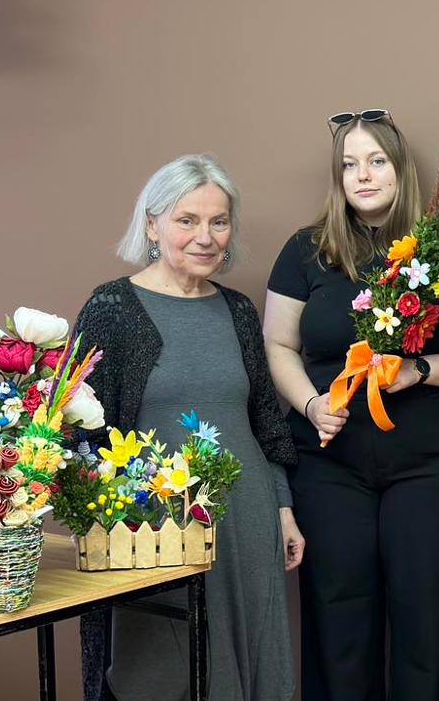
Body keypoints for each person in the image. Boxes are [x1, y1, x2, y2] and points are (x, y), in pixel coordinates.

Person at [264, 109, 439, 700]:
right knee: (338, 618)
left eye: (376, 161)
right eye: (348, 165)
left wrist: (417, 370)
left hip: (435, 464)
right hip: (330, 463)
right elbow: (278, 345)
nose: (362, 175)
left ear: (400, 168)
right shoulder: (306, 250)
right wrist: (312, 405)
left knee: (430, 617)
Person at [75, 154, 300, 701]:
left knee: (248, 664)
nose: (205, 236)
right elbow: (79, 431)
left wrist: (283, 510)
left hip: (245, 522)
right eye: (187, 220)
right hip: (154, 529)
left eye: (218, 222)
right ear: (151, 224)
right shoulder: (112, 308)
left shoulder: (239, 311)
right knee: (157, 668)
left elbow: (264, 421)